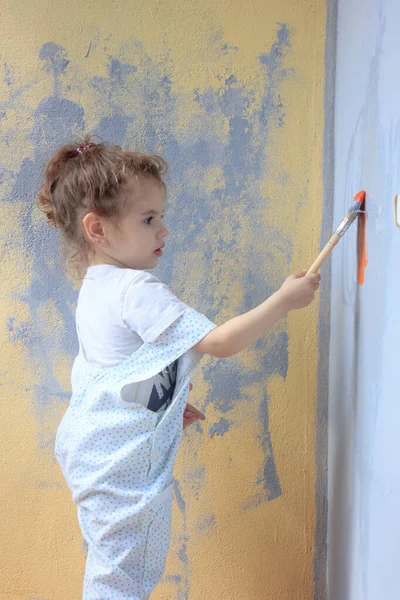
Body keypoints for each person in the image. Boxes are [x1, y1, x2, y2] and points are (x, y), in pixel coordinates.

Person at [37, 137, 320, 599]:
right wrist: (284, 301)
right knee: (124, 579)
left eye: (160, 216)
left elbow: (114, 372)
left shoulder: (95, 287)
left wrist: (162, 406)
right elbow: (221, 343)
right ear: (97, 229)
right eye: (149, 219)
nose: (163, 230)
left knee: (112, 569)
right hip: (114, 466)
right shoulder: (135, 289)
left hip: (89, 451)